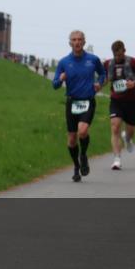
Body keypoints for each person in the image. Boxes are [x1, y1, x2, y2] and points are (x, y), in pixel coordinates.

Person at [52, 30, 106, 182]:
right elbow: (54, 84)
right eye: (74, 40)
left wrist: (99, 84)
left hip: (87, 100)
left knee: (82, 131)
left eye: (79, 39)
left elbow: (103, 74)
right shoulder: (64, 62)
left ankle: (83, 155)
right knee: (71, 140)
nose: (77, 42)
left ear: (84, 42)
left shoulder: (93, 59)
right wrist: (60, 79)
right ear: (70, 43)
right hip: (72, 102)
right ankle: (76, 166)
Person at [103, 40, 135, 170]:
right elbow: (105, 78)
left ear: (124, 50)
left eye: (120, 54)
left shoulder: (133, 62)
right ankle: (117, 159)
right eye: (115, 55)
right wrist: (97, 86)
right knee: (115, 127)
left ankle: (127, 139)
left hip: (131, 102)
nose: (118, 57)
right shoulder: (108, 64)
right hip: (116, 101)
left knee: (130, 132)